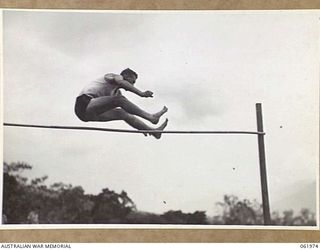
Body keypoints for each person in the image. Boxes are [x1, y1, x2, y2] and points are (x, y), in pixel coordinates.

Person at [75, 68, 168, 139]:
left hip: (90, 114)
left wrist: (140, 127)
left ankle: (153, 132)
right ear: (126, 76)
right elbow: (121, 82)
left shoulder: (115, 93)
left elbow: (129, 111)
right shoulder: (114, 76)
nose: (133, 85)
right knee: (119, 100)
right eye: (133, 81)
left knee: (122, 113)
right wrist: (141, 93)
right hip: (83, 104)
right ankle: (151, 117)